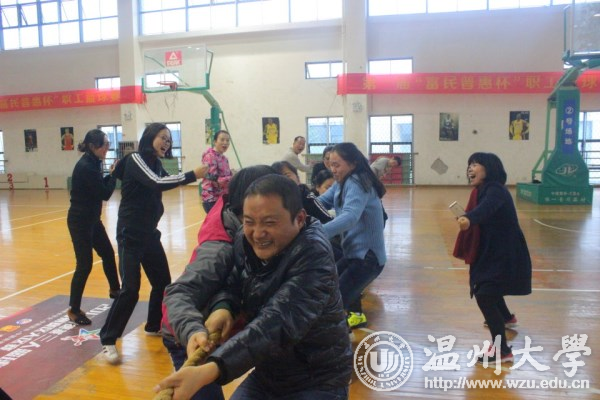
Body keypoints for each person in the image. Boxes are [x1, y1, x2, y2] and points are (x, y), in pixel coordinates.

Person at [155, 174, 352, 400]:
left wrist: (210, 370)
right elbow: (237, 280)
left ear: (299, 219)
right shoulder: (245, 239)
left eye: (270, 223)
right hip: (270, 373)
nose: (257, 233)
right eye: (249, 221)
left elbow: (277, 323)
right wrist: (224, 307)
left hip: (318, 380)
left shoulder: (315, 256)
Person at [161, 165, 276, 400]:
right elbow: (178, 293)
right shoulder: (219, 249)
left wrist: (225, 306)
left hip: (224, 330)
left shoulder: (243, 230)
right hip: (191, 337)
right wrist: (192, 330)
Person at [100, 122, 208, 365]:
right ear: (150, 137)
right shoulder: (136, 158)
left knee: (162, 282)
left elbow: (164, 180)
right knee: (130, 289)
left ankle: (153, 325)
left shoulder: (155, 163)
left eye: (169, 140)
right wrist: (193, 174)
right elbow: (156, 182)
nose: (166, 143)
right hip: (130, 234)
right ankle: (108, 338)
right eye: (162, 137)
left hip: (149, 233)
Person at [453, 152, 532, 364]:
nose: (470, 168)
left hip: (504, 252)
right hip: (493, 250)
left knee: (486, 295)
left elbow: (486, 209)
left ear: (490, 168)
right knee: (488, 287)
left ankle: (501, 351)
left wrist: (469, 219)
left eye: (475, 164)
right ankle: (506, 317)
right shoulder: (482, 190)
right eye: (469, 164)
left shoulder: (495, 189)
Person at [318, 143, 387, 330]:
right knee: (329, 292)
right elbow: (321, 202)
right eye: (330, 165)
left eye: (337, 165)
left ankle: (335, 339)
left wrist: (318, 232)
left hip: (367, 259)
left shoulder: (357, 182)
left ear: (353, 163)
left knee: (334, 303)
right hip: (354, 255)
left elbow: (350, 217)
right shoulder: (342, 181)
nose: (333, 170)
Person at [66, 129, 120, 325]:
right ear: (91, 146)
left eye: (107, 144)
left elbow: (98, 187)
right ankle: (74, 310)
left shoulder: (94, 162)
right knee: (84, 265)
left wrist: (110, 175)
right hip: (80, 221)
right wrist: (114, 175)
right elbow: (104, 193)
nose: (107, 148)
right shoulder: (86, 166)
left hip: (92, 220)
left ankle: (115, 290)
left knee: (107, 253)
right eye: (104, 144)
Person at [201, 130, 233, 214]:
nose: (225, 143)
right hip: (211, 199)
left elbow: (226, 176)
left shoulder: (224, 159)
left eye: (227, 140)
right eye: (222, 140)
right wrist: (232, 177)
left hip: (222, 197)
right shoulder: (210, 156)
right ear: (215, 141)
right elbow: (215, 181)